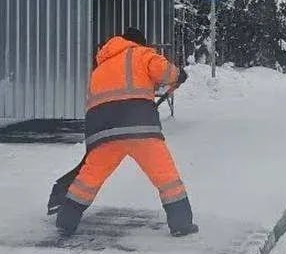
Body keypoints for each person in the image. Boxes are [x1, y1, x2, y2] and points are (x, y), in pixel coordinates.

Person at [48, 26, 197, 237]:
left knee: (89, 179)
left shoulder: (100, 68)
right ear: (138, 43)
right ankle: (181, 224)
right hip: (140, 129)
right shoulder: (142, 54)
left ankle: (66, 220)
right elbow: (164, 72)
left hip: (104, 133)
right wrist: (178, 74)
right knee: (166, 177)